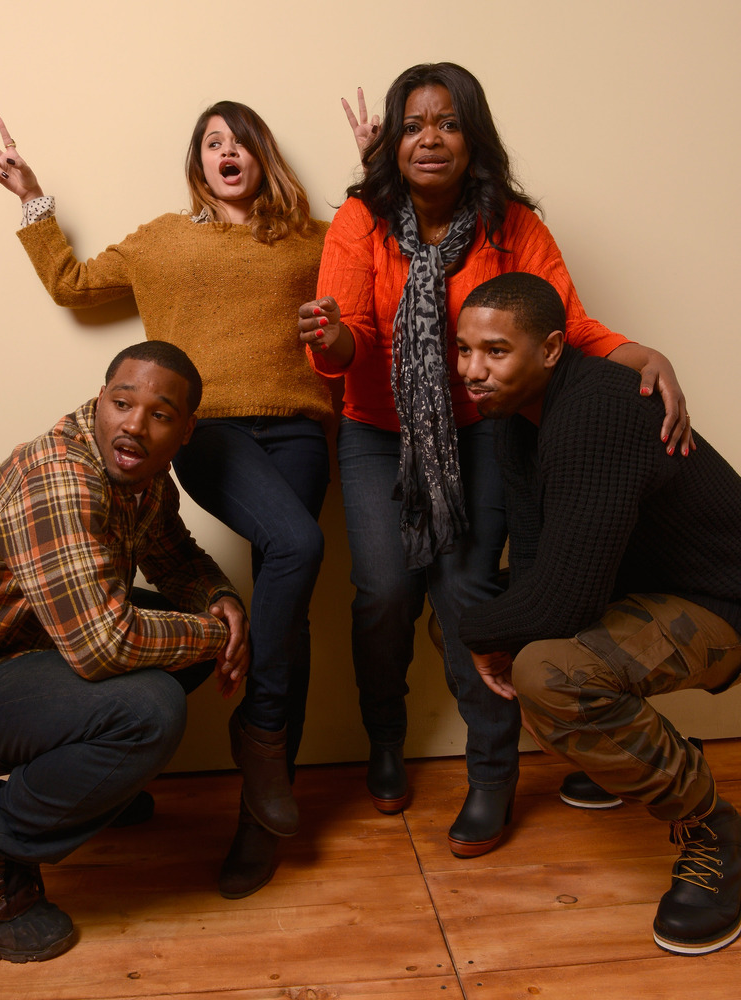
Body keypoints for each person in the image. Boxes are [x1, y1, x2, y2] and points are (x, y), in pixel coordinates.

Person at [298, 62, 691, 858]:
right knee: (381, 593)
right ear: (395, 143)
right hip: (380, 430)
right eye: (412, 125)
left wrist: (638, 350)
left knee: (469, 590)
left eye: (446, 123)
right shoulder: (360, 221)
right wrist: (331, 339)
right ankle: (384, 739)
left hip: (480, 428)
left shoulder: (512, 224)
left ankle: (490, 775)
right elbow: (351, 339)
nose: (429, 138)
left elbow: (565, 324)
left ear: (472, 137)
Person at [0, 102, 332, 898]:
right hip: (210, 431)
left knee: (288, 611)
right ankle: (264, 737)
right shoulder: (163, 238)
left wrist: (379, 179)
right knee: (300, 547)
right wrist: (32, 199)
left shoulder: (315, 238)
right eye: (212, 143)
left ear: (262, 156)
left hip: (300, 430)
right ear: (197, 163)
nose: (226, 153)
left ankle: (260, 816)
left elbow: (369, 296)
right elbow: (72, 286)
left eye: (240, 142)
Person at [0, 341, 251, 962]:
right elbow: (105, 646)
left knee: (170, 635)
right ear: (100, 399)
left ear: (184, 431)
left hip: (26, 651)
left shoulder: (140, 473)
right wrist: (221, 637)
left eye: (159, 414)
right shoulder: (60, 476)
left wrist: (218, 596)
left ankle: (91, 786)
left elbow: (173, 553)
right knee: (150, 708)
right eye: (122, 402)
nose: (134, 424)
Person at [456, 271, 741, 956]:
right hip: (645, 584)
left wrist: (478, 635)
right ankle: (631, 755)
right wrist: (490, 627)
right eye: (464, 350)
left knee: (549, 673)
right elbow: (534, 556)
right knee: (504, 623)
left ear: (553, 349)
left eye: (496, 351)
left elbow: (566, 600)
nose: (472, 371)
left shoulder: (597, 410)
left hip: (724, 600)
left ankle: (718, 837)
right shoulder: (518, 416)